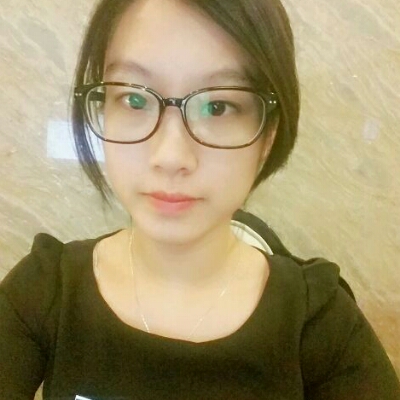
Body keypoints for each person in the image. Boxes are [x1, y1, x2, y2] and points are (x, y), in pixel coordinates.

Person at [0, 0, 399, 398]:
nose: (171, 157)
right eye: (135, 100)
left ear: (268, 134)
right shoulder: (44, 292)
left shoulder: (320, 324)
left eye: (218, 107)